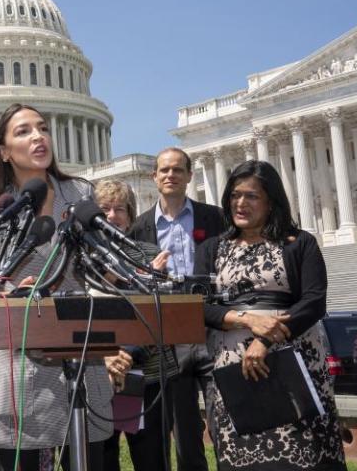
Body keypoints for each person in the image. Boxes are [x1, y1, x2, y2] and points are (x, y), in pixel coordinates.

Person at [0, 103, 114, 471]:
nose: (38, 136)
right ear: (3, 150)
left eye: (42, 128)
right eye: (24, 131)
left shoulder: (79, 195)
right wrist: (3, 293)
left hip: (81, 353)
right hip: (17, 363)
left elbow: (100, 265)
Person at [194, 160, 346, 470]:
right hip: (234, 366)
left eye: (251, 196)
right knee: (246, 457)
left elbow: (314, 302)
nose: (240, 203)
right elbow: (198, 305)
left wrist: (263, 340)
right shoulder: (212, 249)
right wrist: (246, 320)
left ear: (271, 201)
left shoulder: (299, 243)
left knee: (301, 455)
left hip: (294, 360)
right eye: (235, 195)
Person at [125, 147, 223, 471]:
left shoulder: (214, 219)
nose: (170, 175)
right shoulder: (138, 229)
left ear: (189, 176)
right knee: (185, 431)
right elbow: (129, 286)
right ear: (154, 177)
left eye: (177, 170)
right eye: (164, 170)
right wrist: (147, 275)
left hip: (212, 331)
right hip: (170, 337)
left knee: (225, 423)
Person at [94, 179, 169, 471]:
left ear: (130, 215)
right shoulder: (77, 261)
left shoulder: (150, 255)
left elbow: (159, 314)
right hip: (96, 376)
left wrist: (124, 352)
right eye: (104, 209)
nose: (112, 216)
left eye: (120, 209)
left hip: (144, 373)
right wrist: (106, 353)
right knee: (103, 458)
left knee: (151, 459)